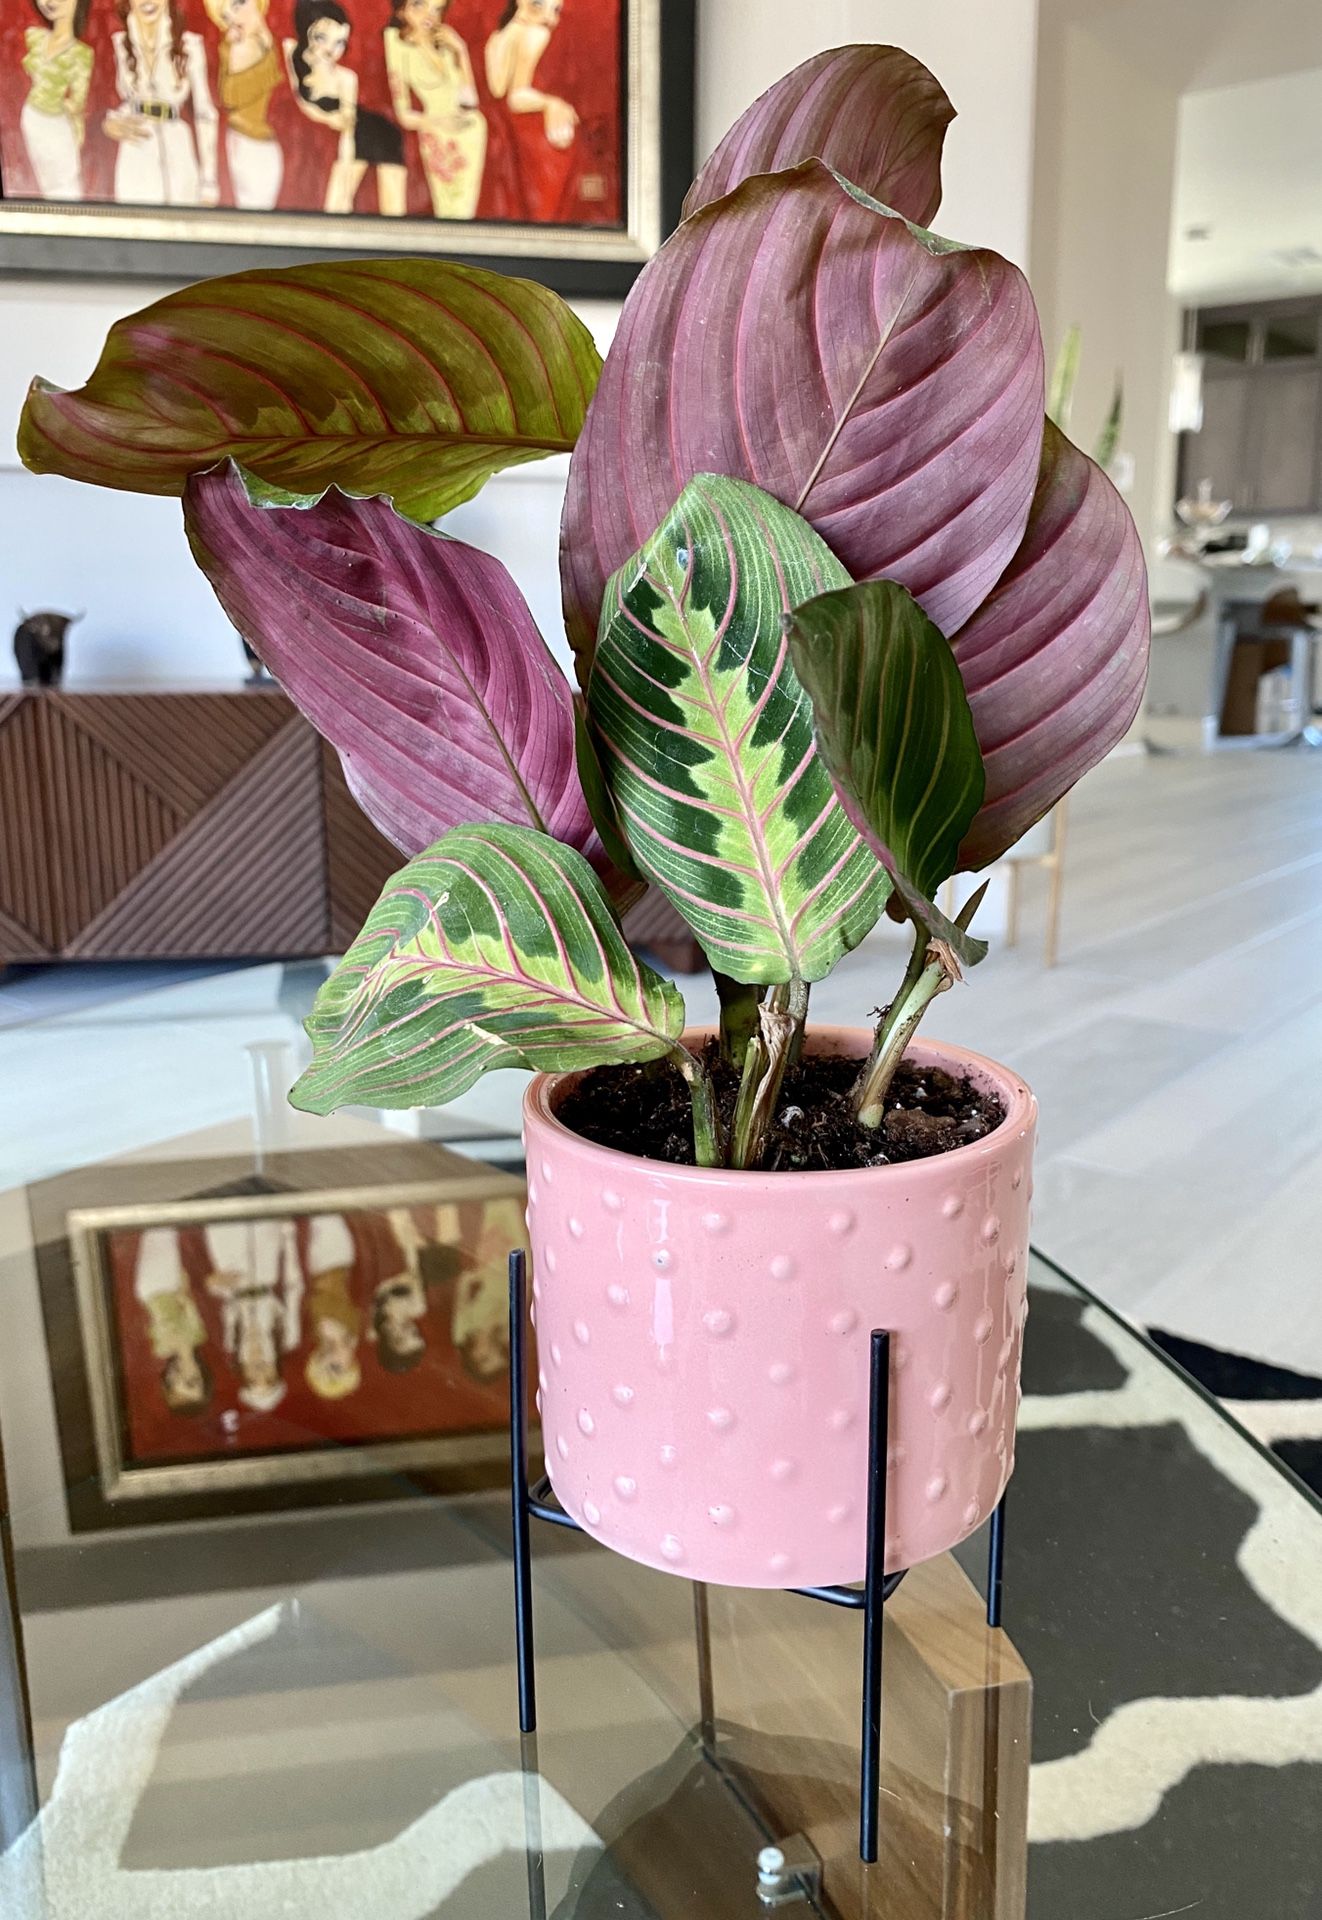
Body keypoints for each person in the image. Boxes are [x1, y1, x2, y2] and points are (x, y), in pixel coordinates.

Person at [286, 0, 406, 216]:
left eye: (340, 43)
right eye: (322, 38)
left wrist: (346, 161)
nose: (331, 50)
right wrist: (327, 119)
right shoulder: (291, 52)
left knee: (388, 209)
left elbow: (348, 129)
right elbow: (300, 101)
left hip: (372, 133)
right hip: (339, 134)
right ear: (306, 30)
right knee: (336, 207)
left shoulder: (346, 78)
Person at [104, 0, 219, 207]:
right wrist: (111, 122)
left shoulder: (189, 45)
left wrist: (208, 180)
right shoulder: (119, 44)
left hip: (178, 147)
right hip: (135, 148)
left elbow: (205, 114)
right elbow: (100, 104)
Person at [383, 0, 485, 221]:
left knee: (467, 208)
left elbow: (470, 102)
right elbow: (403, 114)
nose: (429, 16)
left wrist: (461, 51)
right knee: (448, 209)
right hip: (435, 130)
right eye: (419, 5)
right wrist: (438, 123)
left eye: (437, 9)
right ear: (402, 10)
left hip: (471, 131)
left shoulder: (445, 43)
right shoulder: (396, 43)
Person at [484, 0, 577, 223]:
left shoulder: (500, 36)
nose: (549, 18)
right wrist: (552, 104)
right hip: (533, 135)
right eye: (538, 5)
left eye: (555, 10)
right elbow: (514, 97)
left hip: (519, 131)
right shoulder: (535, 34)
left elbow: (498, 89)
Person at [204, 1217, 302, 1414]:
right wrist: (289, 1238)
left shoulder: (230, 1341)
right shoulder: (288, 1338)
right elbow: (294, 1288)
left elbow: (215, 1304)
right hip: (266, 1266)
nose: (260, 1373)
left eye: (253, 1380)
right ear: (277, 1372)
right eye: (270, 1379)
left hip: (229, 1262)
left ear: (243, 1376)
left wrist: (213, 1284)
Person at [203, 0, 283, 210]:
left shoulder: (244, 46)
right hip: (248, 143)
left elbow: (228, 96)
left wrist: (228, 47)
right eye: (226, 16)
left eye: (238, 4)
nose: (234, 19)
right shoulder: (261, 41)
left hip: (253, 148)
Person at [132, 1227, 213, 1415]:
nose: (185, 1373)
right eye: (192, 1380)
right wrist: (183, 1292)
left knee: (158, 1238)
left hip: (152, 1291)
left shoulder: (161, 1348)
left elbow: (153, 1323)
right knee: (165, 1236)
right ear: (202, 1376)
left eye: (177, 1381)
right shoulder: (198, 1336)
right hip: (172, 1284)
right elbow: (189, 1306)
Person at [19, 0, 94, 201]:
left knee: (64, 186)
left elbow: (78, 101)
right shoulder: (34, 36)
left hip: (57, 126)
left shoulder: (81, 54)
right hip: (30, 117)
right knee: (38, 181)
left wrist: (64, 106)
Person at [300, 1212, 363, 1400]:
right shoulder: (357, 1326)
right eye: (338, 1367)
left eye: (325, 1365)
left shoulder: (310, 1333)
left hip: (309, 1261)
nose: (332, 1360)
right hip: (340, 1257)